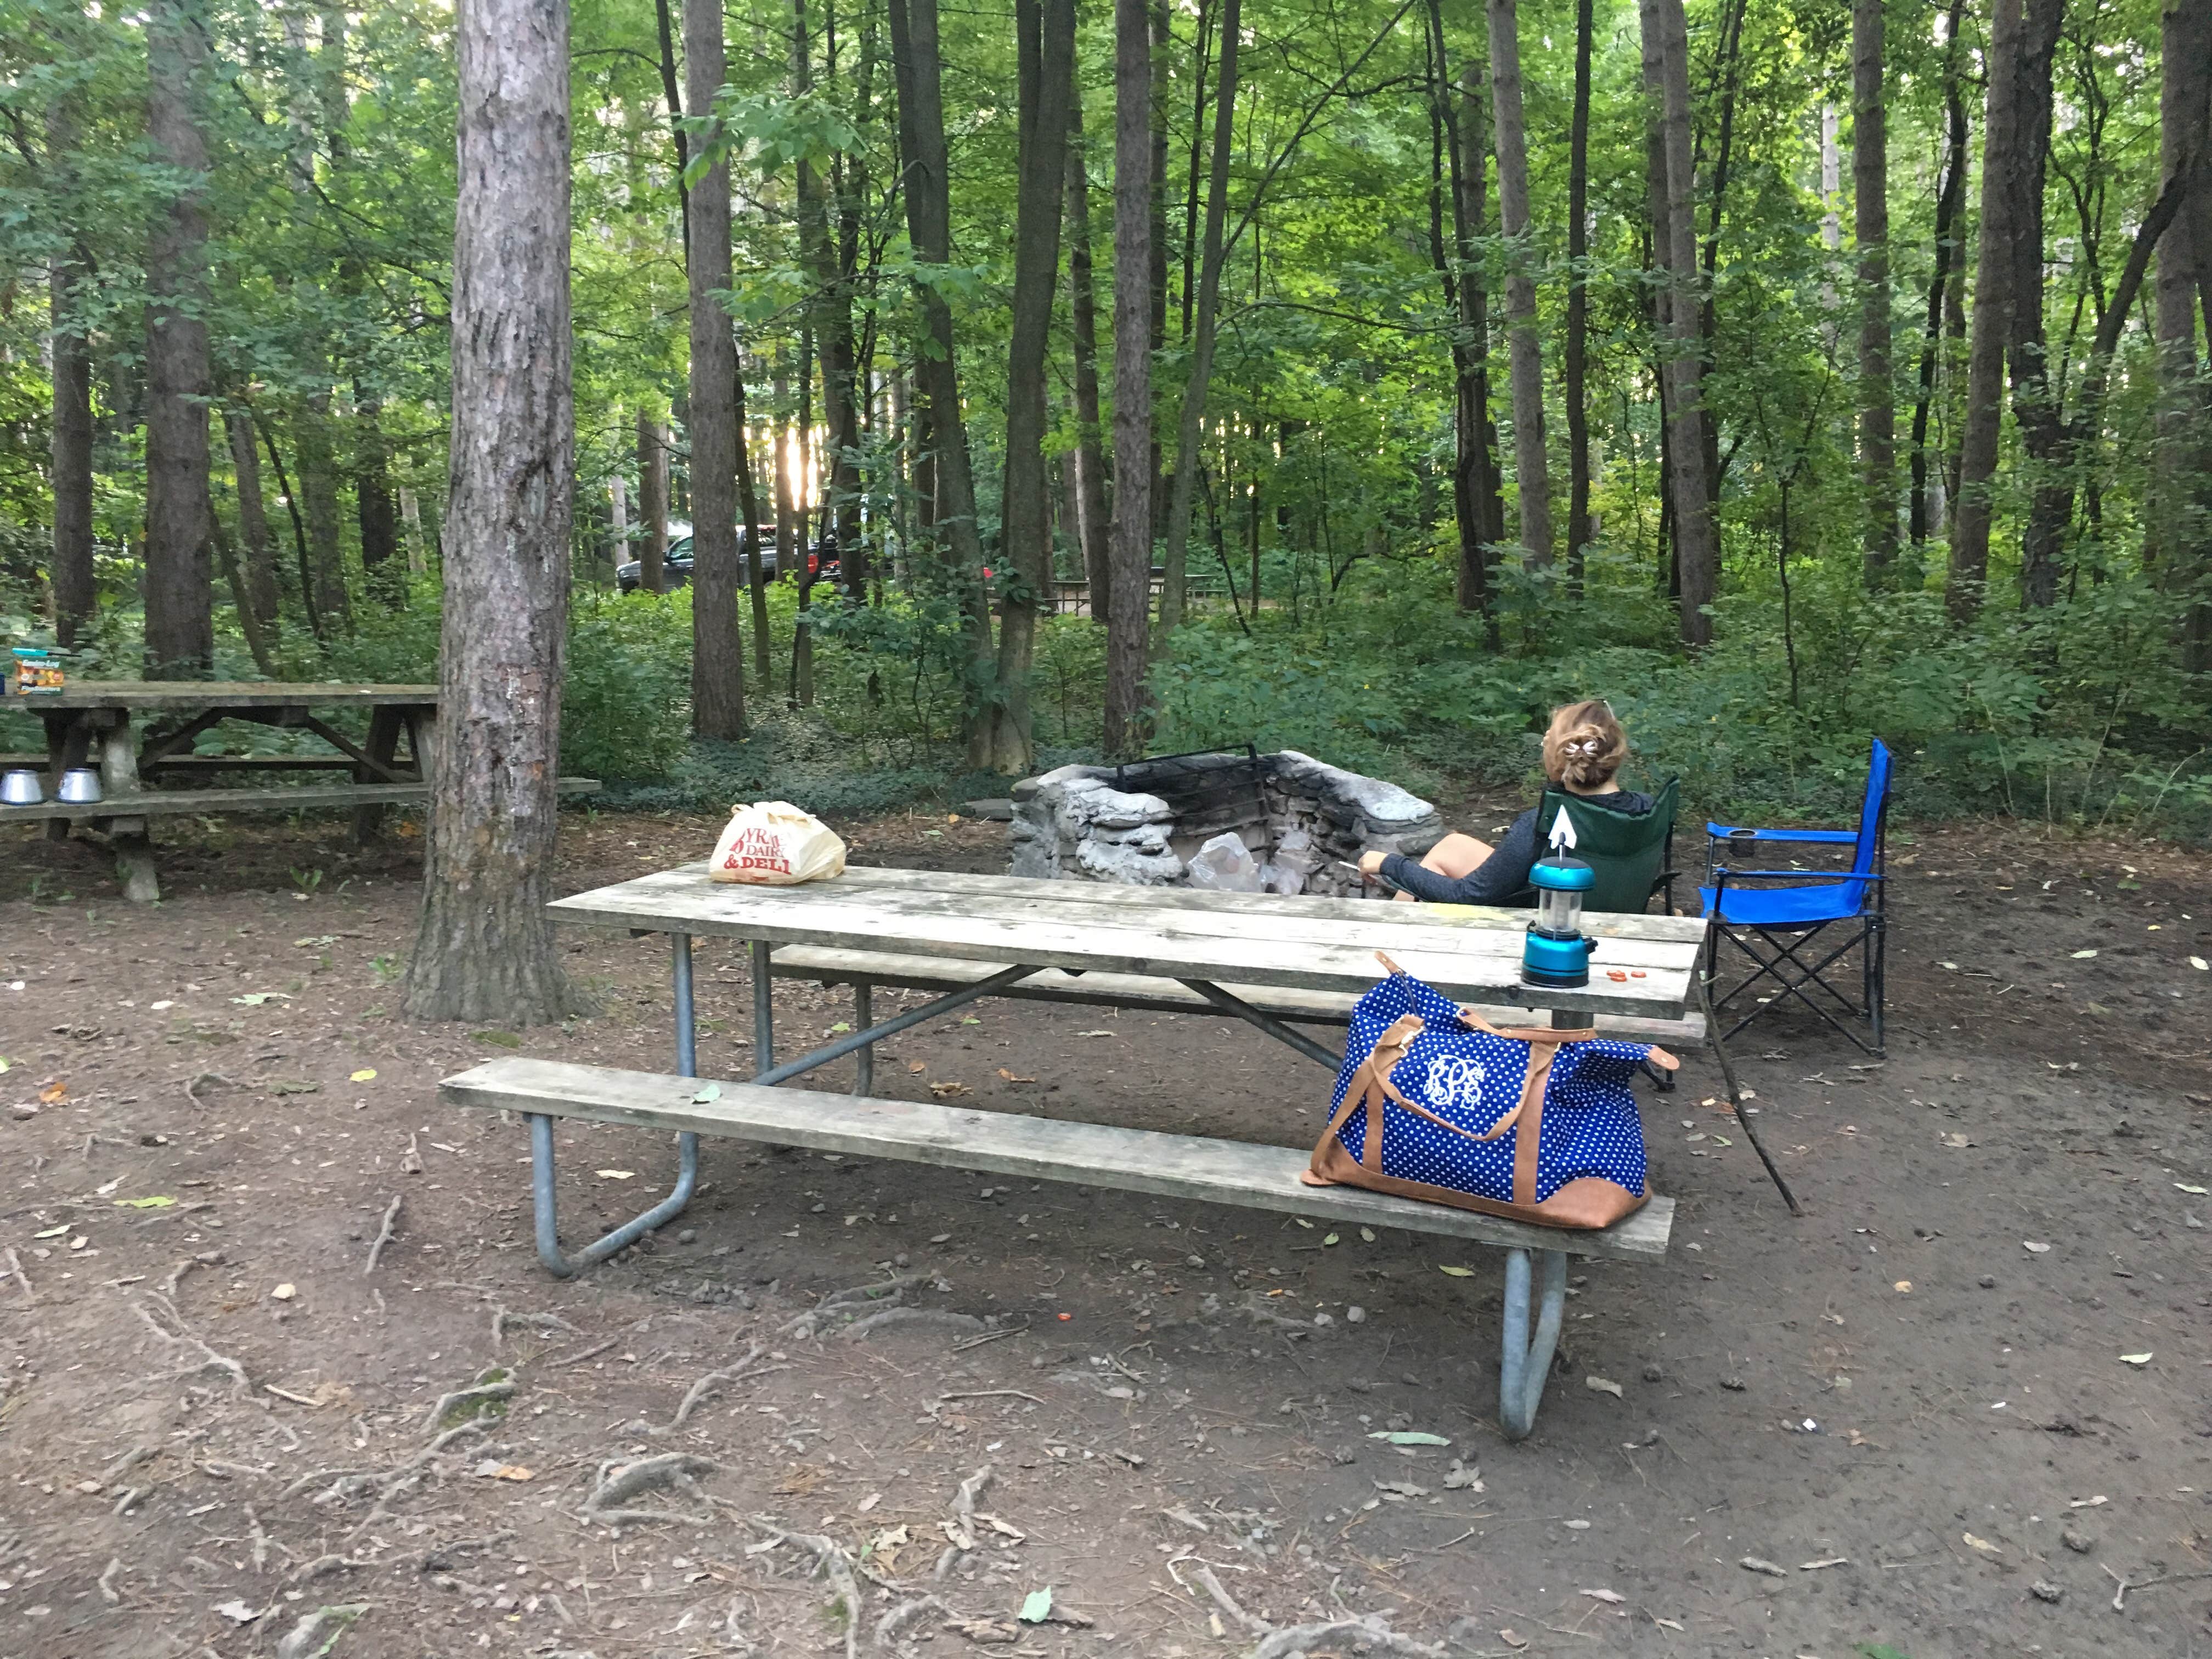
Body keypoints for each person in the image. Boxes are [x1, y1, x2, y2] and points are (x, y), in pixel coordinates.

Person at [1357, 700, 1651, 905]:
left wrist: (1390, 864)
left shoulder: (1542, 825)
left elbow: (1469, 894)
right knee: (1453, 845)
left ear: (1559, 757)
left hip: (1547, 918)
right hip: (1600, 901)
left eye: (1546, 746)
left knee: (1433, 870)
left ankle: (1391, 955)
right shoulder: (1646, 809)